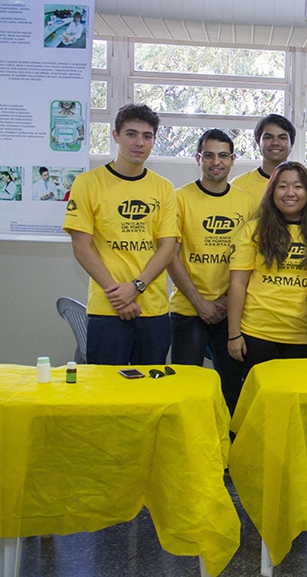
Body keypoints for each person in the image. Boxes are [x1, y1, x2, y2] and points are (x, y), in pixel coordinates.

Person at [63, 103, 178, 365]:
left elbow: (167, 247)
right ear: (115, 135)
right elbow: (82, 246)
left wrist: (136, 288)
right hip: (107, 308)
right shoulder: (88, 183)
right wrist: (118, 295)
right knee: (106, 394)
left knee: (148, 393)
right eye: (131, 134)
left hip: (153, 310)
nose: (139, 142)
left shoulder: (163, 188)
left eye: (147, 136)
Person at [167, 129, 255, 415]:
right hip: (188, 310)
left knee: (232, 389)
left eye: (222, 156)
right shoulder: (178, 199)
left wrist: (226, 301)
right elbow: (170, 255)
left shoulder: (247, 202)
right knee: (185, 389)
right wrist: (200, 303)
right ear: (198, 159)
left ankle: (229, 452)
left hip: (231, 314)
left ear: (233, 160)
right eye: (208, 155)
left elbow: (252, 259)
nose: (215, 162)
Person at [227, 161, 307, 370]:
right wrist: (233, 334)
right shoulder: (253, 230)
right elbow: (237, 284)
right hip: (257, 333)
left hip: (304, 336)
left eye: (298, 186)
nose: (290, 193)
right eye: (282, 186)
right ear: (272, 191)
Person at [232, 113, 295, 206]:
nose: (275, 143)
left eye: (282, 138)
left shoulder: (304, 187)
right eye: (268, 137)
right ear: (258, 142)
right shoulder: (238, 186)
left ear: (291, 144)